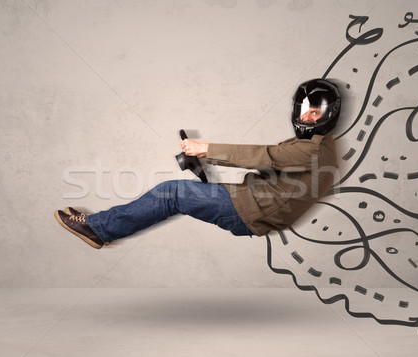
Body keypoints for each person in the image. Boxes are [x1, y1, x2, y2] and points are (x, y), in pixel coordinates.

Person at [54, 78, 341, 249]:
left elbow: (266, 155)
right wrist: (205, 165)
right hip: (250, 202)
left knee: (172, 193)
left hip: (250, 211)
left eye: (315, 112)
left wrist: (206, 149)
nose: (308, 117)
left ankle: (97, 229)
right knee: (180, 192)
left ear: (329, 114)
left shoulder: (316, 152)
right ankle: (100, 225)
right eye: (304, 110)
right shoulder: (312, 147)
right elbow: (272, 167)